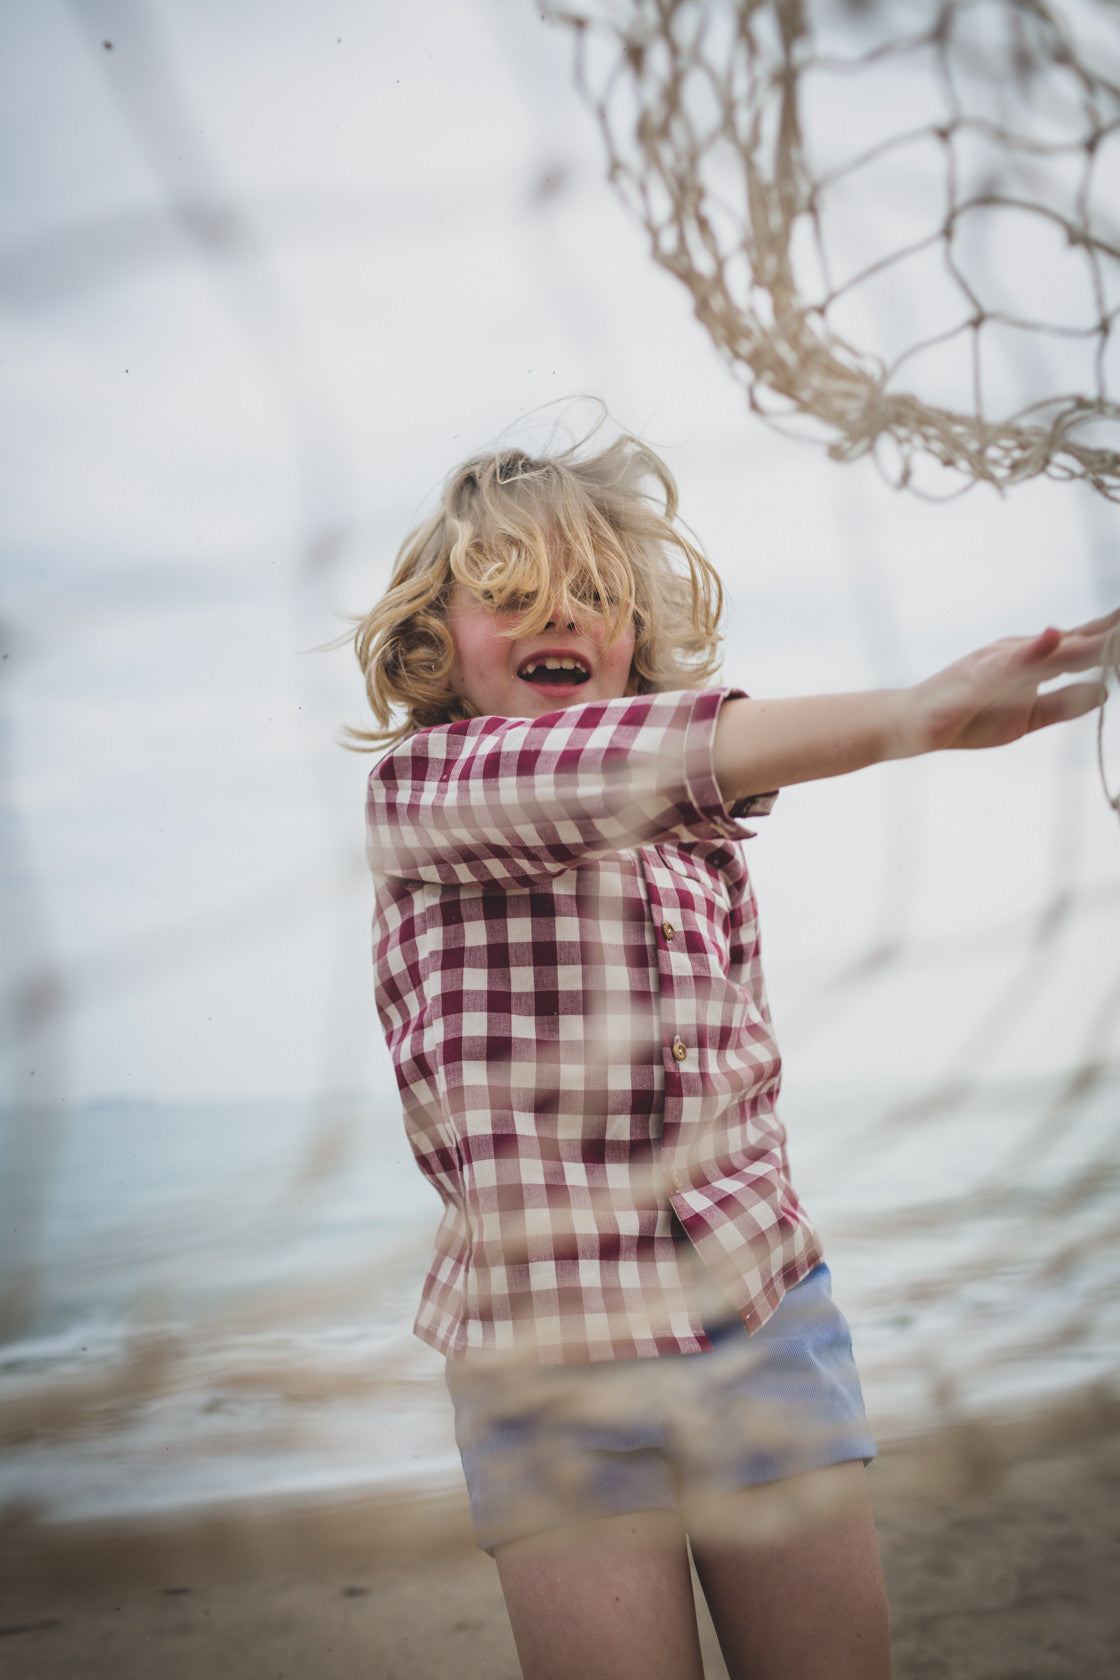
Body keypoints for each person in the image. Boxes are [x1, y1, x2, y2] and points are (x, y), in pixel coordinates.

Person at [349, 425, 1116, 1680]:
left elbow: (697, 839)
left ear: (634, 639)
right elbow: (628, 763)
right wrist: (911, 714)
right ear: (435, 640)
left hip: (760, 1312)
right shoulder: (425, 794)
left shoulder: (701, 837)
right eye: (508, 593)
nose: (559, 611)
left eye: (594, 594)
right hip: (551, 1361)